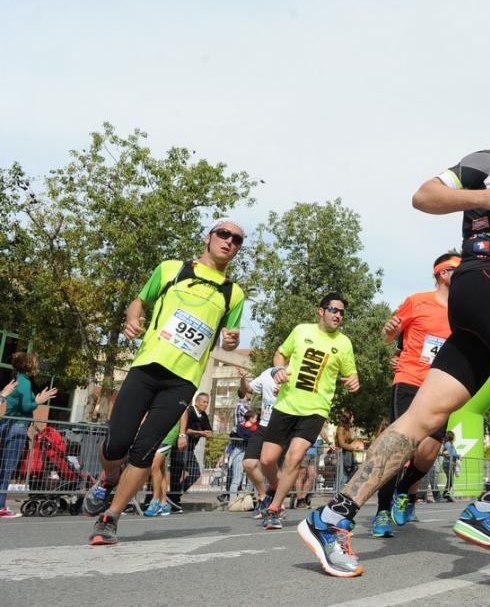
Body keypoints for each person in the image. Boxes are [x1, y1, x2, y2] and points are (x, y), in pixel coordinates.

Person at [298, 111, 490, 577]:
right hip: (485, 278)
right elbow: (425, 196)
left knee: (424, 417)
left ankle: (332, 515)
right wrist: (485, 196)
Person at [84, 219, 245, 545]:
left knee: (146, 450)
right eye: (223, 234)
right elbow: (139, 301)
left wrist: (230, 343)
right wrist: (132, 319)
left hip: (183, 381)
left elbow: (229, 338)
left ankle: (109, 519)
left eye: (237, 239)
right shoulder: (171, 269)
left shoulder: (234, 293)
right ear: (209, 237)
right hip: (147, 366)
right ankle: (109, 478)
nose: (229, 241)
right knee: (117, 443)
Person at [372, 251, 459, 539]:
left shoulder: (463, 310)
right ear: (443, 274)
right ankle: (382, 510)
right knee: (399, 447)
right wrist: (388, 331)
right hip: (409, 381)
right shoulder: (417, 301)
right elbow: (389, 335)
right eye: (458, 269)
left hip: (441, 386)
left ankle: (403, 490)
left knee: (429, 450)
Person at [259, 292, 360, 531]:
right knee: (267, 459)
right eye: (333, 309)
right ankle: (275, 486)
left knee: (294, 458)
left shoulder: (344, 343)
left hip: (316, 409)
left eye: (342, 312)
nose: (338, 315)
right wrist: (277, 369)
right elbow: (280, 354)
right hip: (286, 404)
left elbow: (351, 373)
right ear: (321, 311)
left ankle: (274, 508)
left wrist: (354, 381)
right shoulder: (302, 330)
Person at [0, 353, 57, 518]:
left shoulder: (19, 379)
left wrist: (36, 399)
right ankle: (1, 507)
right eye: (35, 363)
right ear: (29, 366)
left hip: (9, 426)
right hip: (17, 427)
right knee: (7, 469)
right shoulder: (24, 382)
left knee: (4, 467)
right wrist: (39, 401)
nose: (37, 366)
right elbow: (26, 407)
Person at [243, 366, 280, 517]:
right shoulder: (266, 373)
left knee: (269, 463)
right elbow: (248, 389)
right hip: (263, 425)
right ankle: (264, 496)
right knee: (248, 464)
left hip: (281, 425)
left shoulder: (295, 371)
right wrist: (242, 379)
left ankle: (277, 502)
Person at [168, 391, 214, 508]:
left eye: (207, 402)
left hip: (190, 448)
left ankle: (174, 497)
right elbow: (184, 429)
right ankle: (174, 499)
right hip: (180, 446)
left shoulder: (203, 416)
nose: (206, 404)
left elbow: (209, 431)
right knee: (176, 474)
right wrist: (200, 433)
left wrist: (207, 433)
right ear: (196, 402)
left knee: (194, 472)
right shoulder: (189, 411)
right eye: (204, 402)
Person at [143, 411, 186, 517]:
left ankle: (155, 501)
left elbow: (183, 412)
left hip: (170, 433)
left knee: (154, 465)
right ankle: (163, 503)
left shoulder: (178, 394)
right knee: (161, 468)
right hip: (156, 431)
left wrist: (182, 434)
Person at [335, 411, 365, 484]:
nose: (353, 419)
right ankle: (339, 490)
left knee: (355, 468)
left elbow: (350, 440)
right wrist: (353, 448)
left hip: (348, 452)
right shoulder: (341, 428)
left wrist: (355, 441)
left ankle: (342, 487)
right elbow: (342, 443)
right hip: (341, 453)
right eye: (352, 417)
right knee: (342, 474)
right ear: (348, 418)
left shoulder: (348, 428)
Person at [441, 430, 460, 501]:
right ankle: (445, 494)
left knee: (450, 480)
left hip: (450, 463)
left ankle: (446, 494)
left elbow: (452, 453)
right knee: (450, 480)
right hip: (448, 463)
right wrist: (458, 455)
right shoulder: (448, 444)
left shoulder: (449, 444)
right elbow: (451, 453)